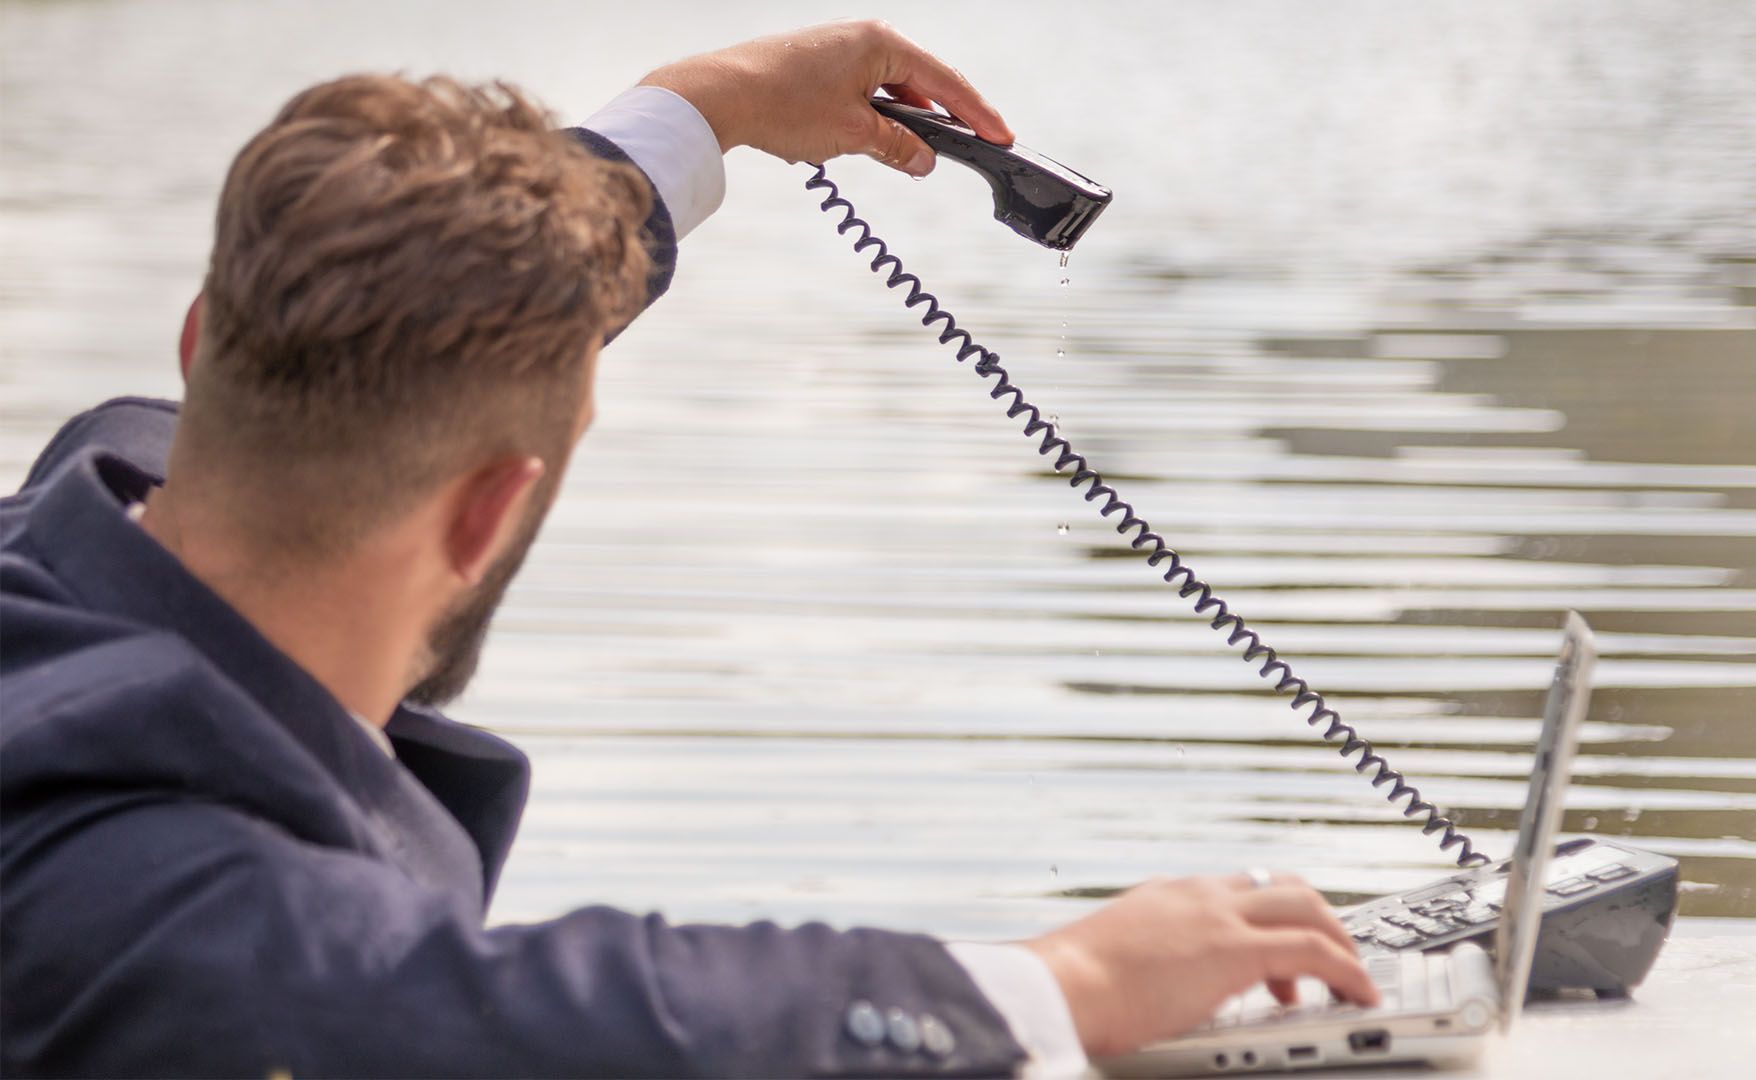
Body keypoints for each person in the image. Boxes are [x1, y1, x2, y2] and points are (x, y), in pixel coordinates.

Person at [0, 19, 1376, 1077]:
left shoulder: (54, 553)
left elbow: (404, 333)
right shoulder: (149, 889)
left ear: (199, 348)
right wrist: (1059, 983)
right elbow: (540, 1015)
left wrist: (707, 110)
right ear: (491, 513)